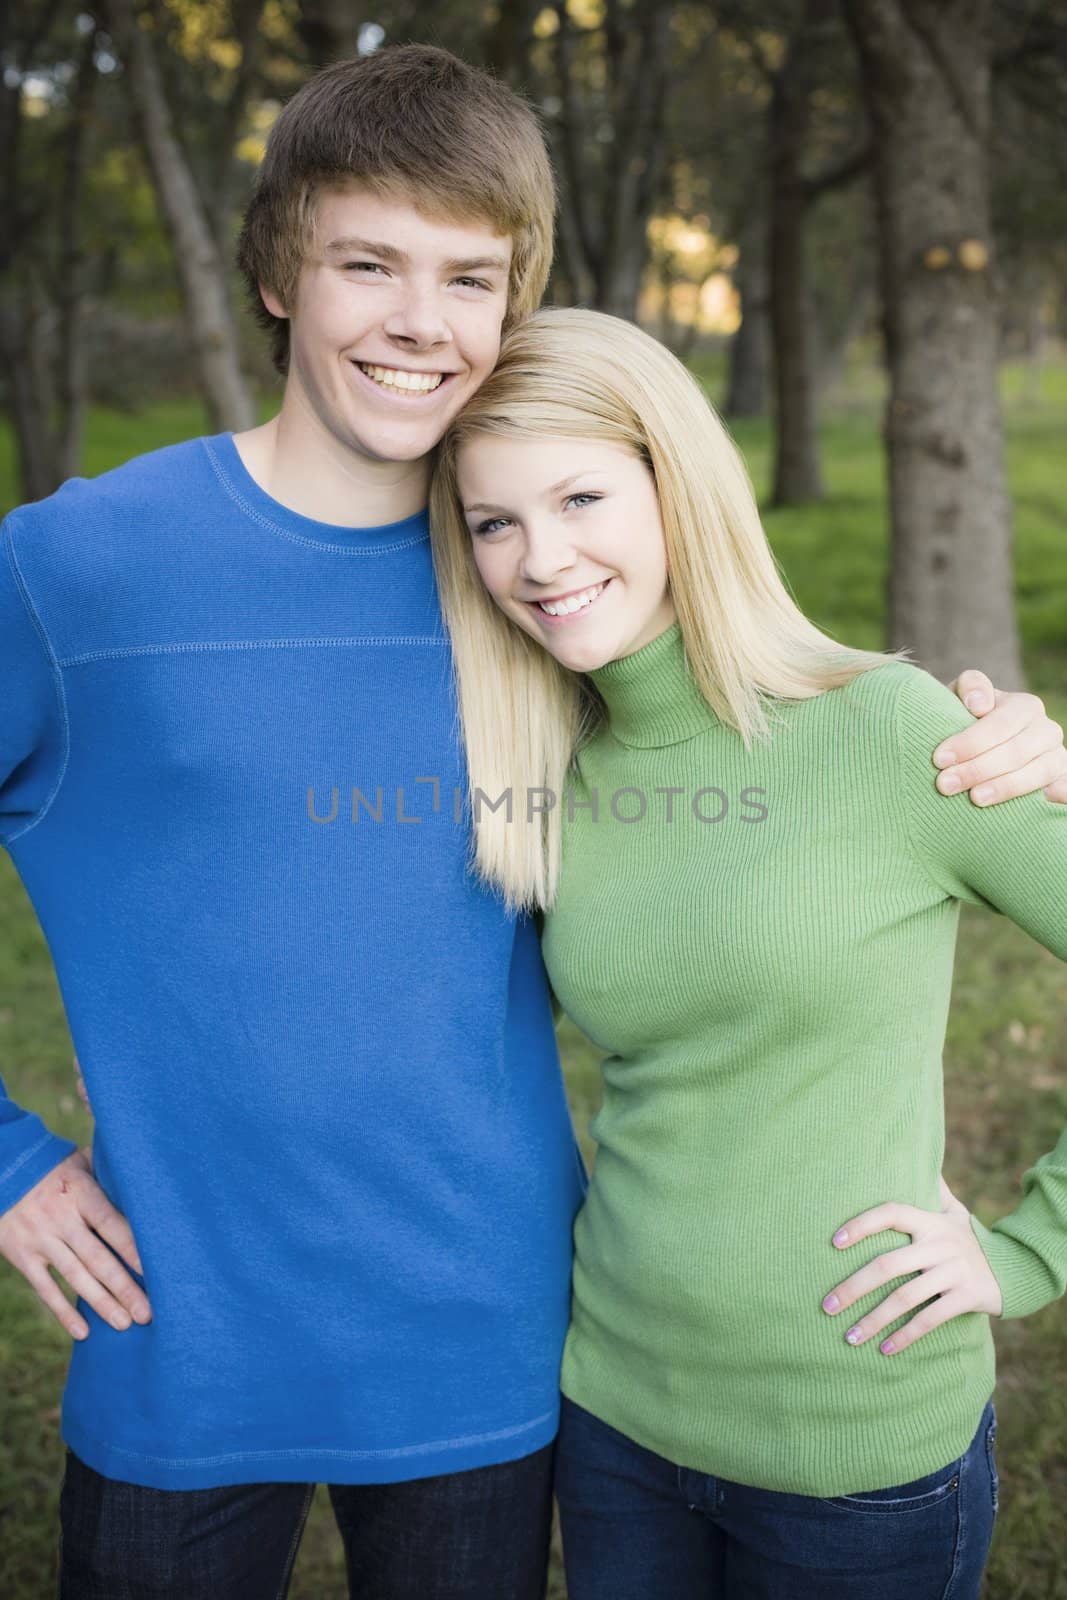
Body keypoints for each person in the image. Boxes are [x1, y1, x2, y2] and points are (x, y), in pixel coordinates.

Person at [0, 45, 1062, 1600]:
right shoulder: (75, 570)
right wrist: (9, 1160)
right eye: (369, 261)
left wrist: (1021, 754)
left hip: (498, 1353)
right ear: (281, 266)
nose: (419, 320)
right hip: (183, 1342)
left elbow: (766, 738)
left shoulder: (539, 603)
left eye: (469, 276)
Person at [424, 305, 1067, 1600]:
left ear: (678, 483)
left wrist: (1031, 1248)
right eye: (494, 522)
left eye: (581, 497)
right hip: (613, 1419)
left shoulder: (891, 732)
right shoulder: (538, 771)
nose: (539, 559)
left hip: (853, 1457)